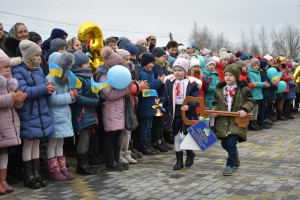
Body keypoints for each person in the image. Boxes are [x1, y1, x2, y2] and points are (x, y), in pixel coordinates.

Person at [12, 40, 56, 189]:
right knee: (29, 142)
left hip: (40, 111)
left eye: (39, 55)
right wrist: (44, 88)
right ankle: (28, 175)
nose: (39, 58)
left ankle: (36, 173)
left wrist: (50, 89)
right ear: (29, 56)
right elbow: (24, 91)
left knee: (36, 142)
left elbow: (44, 86)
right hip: (28, 112)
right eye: (36, 55)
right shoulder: (18, 71)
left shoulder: (38, 69)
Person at [212, 64, 255, 175]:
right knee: (224, 144)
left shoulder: (244, 89)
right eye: (226, 75)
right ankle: (235, 154)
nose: (228, 77)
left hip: (236, 121)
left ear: (236, 76)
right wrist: (215, 110)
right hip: (223, 121)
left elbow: (250, 101)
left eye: (231, 75)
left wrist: (244, 109)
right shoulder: (219, 89)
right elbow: (215, 103)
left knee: (231, 143)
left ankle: (229, 165)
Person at [95, 47, 131, 171]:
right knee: (110, 137)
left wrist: (127, 88)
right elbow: (110, 95)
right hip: (110, 110)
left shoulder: (117, 75)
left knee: (117, 137)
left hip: (118, 110)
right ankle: (110, 162)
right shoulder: (103, 77)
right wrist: (126, 90)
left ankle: (116, 159)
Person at [162, 58, 202, 170]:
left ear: (185, 71)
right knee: (176, 137)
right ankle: (179, 161)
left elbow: (195, 99)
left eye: (180, 70)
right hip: (175, 112)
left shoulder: (192, 84)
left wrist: (189, 106)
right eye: (175, 70)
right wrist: (161, 100)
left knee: (184, 135)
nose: (177, 72)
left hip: (187, 112)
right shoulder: (170, 83)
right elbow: (167, 97)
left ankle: (190, 153)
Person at [46, 52, 77, 181]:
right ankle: (54, 170)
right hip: (55, 114)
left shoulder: (64, 78)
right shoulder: (50, 78)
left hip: (63, 114)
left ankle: (62, 167)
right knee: (53, 142)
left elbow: (67, 96)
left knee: (60, 142)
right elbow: (51, 100)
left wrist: (73, 96)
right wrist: (69, 97)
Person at [0, 49, 26, 194]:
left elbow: (14, 104)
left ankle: (3, 180)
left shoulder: (10, 82)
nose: (8, 69)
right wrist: (11, 98)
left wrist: (18, 100)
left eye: (9, 67)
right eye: (5, 67)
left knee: (4, 155)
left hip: (8, 124)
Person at [70, 51, 99, 175]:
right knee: (82, 138)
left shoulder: (88, 76)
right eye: (85, 64)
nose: (88, 65)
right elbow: (78, 98)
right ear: (78, 65)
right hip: (81, 113)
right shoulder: (77, 78)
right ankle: (81, 165)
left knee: (87, 138)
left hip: (89, 112)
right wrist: (95, 101)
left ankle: (86, 163)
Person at [138, 53, 165, 155]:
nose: (153, 65)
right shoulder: (143, 74)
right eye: (151, 63)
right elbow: (149, 86)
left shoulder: (149, 73)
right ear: (145, 63)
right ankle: (144, 145)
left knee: (149, 126)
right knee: (145, 126)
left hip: (151, 103)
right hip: (145, 103)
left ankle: (148, 144)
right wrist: (159, 81)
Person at [247, 58, 270, 130]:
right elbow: (253, 83)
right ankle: (250, 123)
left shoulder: (258, 73)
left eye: (257, 65)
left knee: (256, 109)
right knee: (252, 109)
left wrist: (264, 84)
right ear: (251, 66)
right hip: (253, 93)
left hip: (259, 93)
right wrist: (263, 84)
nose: (256, 67)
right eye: (254, 65)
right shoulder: (250, 73)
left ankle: (255, 122)